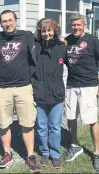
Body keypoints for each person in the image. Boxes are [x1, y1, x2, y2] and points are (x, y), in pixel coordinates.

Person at [0, 10, 40, 173]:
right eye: (4, 21)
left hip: (24, 86)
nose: (7, 23)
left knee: (27, 122)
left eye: (10, 20)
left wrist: (63, 42)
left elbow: (46, 40)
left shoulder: (26, 36)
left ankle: (30, 156)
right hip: (2, 88)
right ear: (0, 23)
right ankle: (7, 153)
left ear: (16, 20)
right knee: (3, 123)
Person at [64, 13, 99, 172]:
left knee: (91, 119)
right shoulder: (66, 40)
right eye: (73, 25)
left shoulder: (92, 40)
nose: (76, 27)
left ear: (84, 25)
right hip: (71, 85)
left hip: (88, 85)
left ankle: (96, 153)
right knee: (71, 117)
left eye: (78, 25)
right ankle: (75, 146)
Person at [32, 18, 66, 169]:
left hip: (56, 94)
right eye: (44, 30)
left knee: (55, 127)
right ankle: (45, 152)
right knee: (41, 126)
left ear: (55, 31)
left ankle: (55, 154)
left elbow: (74, 65)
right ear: (40, 32)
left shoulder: (62, 47)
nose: (47, 33)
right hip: (39, 93)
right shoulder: (35, 46)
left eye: (50, 30)